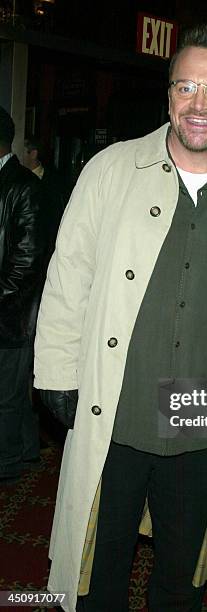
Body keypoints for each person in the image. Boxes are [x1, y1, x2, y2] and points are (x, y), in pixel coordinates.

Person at [34, 24, 207, 612]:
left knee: (180, 583)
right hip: (116, 415)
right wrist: (57, 373)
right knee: (96, 574)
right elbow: (68, 277)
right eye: (185, 86)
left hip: (202, 429)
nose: (199, 104)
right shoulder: (111, 169)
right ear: (168, 96)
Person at [0, 107, 45, 484]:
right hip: (7, 308)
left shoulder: (24, 186)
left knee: (7, 396)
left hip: (14, 313)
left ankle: (8, 464)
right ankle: (27, 449)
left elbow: (27, 259)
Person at [23, 134, 67, 254]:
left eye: (22, 151)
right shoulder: (18, 180)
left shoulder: (54, 181)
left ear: (33, 154)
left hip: (46, 248)